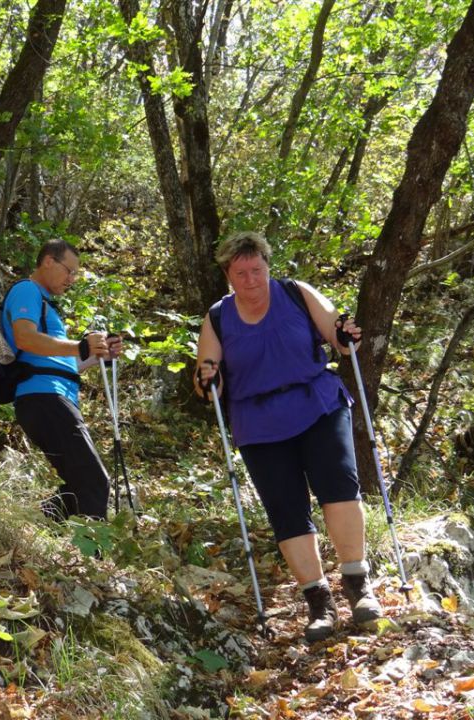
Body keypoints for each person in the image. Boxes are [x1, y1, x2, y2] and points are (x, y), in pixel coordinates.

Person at [194, 231, 382, 642]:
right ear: (228, 275)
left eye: (256, 270)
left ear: (267, 266)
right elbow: (207, 375)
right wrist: (208, 379)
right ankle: (319, 602)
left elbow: (336, 333)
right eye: (241, 273)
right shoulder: (218, 317)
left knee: (339, 487)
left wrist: (346, 335)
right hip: (258, 424)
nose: (251, 279)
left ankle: (358, 585)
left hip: (317, 404)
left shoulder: (296, 293)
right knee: (286, 510)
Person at [2, 239, 122, 521]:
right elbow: (25, 338)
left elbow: (62, 362)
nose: (72, 279)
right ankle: (92, 560)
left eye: (76, 274)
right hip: (44, 398)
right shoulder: (26, 290)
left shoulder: (47, 305)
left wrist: (97, 356)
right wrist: (80, 345)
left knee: (81, 484)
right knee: (95, 482)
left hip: (51, 397)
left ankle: (39, 525)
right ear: (48, 261)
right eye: (69, 271)